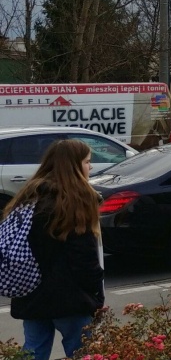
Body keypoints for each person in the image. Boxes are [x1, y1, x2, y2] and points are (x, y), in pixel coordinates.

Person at [3, 139, 105, 360]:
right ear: (74, 166)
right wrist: (96, 295)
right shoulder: (74, 204)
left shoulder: (28, 197)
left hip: (30, 295)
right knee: (82, 353)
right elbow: (84, 260)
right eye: (87, 162)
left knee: (33, 351)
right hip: (70, 300)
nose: (91, 167)